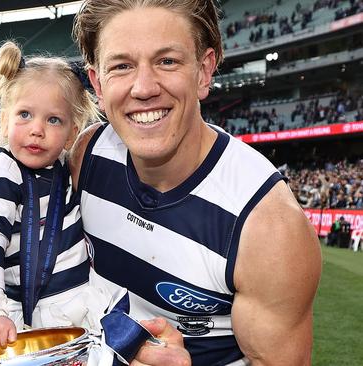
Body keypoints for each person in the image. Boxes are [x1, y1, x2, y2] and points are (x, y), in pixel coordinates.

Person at [70, 1, 322, 365]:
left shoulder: (267, 228)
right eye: (121, 66)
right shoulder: (86, 157)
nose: (143, 88)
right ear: (97, 84)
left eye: (167, 61)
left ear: (204, 72)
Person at [0, 40, 119, 348]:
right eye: (25, 114)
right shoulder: (2, 175)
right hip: (28, 319)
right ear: (5, 120)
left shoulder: (67, 168)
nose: (37, 129)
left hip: (80, 307)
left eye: (53, 120)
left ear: (71, 134)